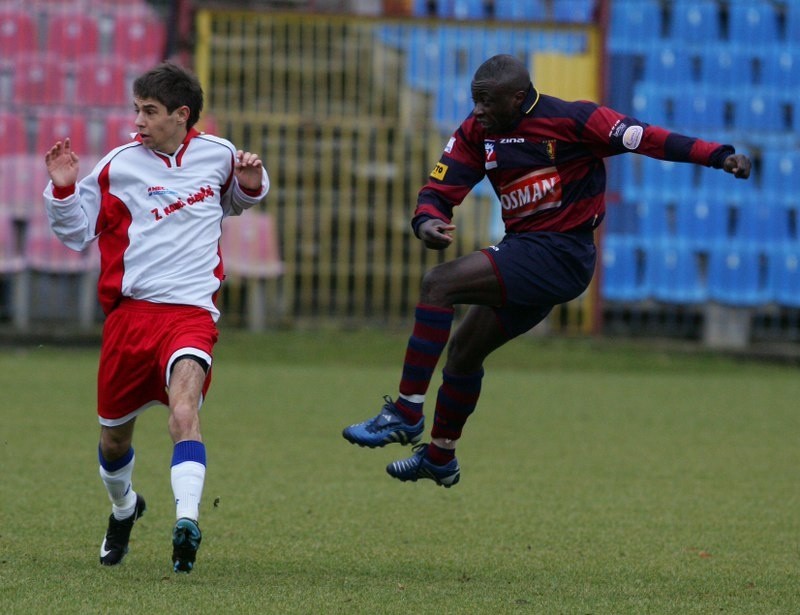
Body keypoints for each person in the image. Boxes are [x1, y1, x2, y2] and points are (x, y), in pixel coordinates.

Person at [342, 54, 751, 487]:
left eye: (487, 102)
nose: (478, 110)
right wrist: (426, 219)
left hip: (563, 255)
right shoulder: (479, 131)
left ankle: (406, 412)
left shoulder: (575, 120)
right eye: (474, 101)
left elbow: (646, 138)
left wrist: (718, 156)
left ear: (519, 98)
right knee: (463, 350)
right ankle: (441, 456)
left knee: (438, 284)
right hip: (527, 254)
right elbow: (441, 186)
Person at [43, 62, 269, 571]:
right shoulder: (118, 165)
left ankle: (187, 521)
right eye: (136, 110)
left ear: (181, 115)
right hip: (130, 316)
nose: (138, 121)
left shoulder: (220, 156)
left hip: (191, 312)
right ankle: (124, 508)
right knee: (113, 438)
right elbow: (77, 232)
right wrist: (62, 189)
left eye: (149, 112)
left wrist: (252, 183)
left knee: (185, 411)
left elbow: (236, 199)